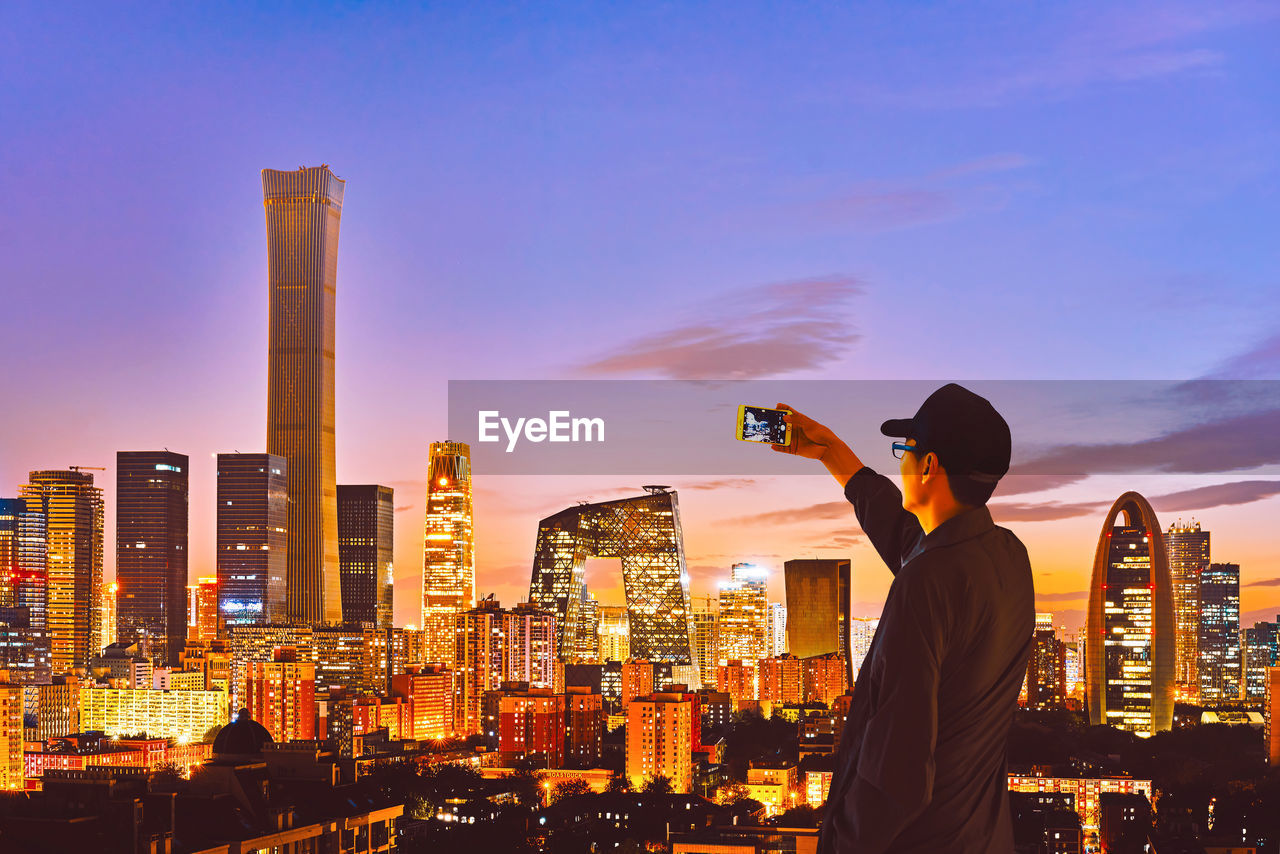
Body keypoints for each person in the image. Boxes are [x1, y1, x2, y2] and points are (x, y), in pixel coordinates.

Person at [773, 383, 1034, 854]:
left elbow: (897, 770)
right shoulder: (1008, 557)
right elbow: (905, 534)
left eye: (905, 449)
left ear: (929, 465)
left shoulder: (925, 583)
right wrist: (833, 454)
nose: (900, 460)